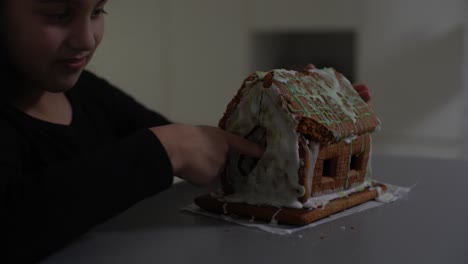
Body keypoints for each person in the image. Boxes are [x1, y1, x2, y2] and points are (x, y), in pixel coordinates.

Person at [0, 0, 371, 263]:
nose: (86, 38)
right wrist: (162, 150)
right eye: (58, 14)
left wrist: (290, 113)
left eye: (98, 10)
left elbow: (201, 154)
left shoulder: (89, 94)